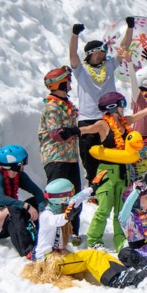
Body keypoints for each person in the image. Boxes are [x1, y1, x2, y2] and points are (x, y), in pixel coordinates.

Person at [82, 86, 147, 251]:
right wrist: (71, 131)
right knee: (104, 208)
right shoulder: (103, 124)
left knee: (121, 211)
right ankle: (94, 240)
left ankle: (121, 240)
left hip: (124, 173)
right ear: (112, 107)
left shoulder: (125, 121)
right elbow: (86, 129)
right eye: (121, 104)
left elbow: (143, 113)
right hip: (107, 172)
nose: (123, 107)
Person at [24, 178, 147, 288]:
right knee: (91, 256)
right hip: (49, 262)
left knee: (101, 255)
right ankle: (114, 280)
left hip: (61, 256)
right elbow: (56, 220)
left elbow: (77, 199)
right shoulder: (47, 215)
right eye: (69, 193)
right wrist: (66, 216)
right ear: (61, 196)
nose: (71, 195)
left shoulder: (59, 207)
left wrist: (92, 188)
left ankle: (124, 272)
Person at [69, 19, 132, 186]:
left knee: (111, 154)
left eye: (103, 51)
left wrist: (130, 28)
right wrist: (74, 35)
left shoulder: (109, 65)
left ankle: (112, 184)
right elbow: (73, 55)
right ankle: (93, 187)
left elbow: (123, 48)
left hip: (108, 118)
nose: (102, 54)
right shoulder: (81, 70)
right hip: (88, 118)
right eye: (98, 52)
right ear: (91, 54)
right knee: (89, 158)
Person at [38, 66, 88, 246]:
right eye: (67, 81)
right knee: (58, 198)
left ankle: (72, 233)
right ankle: (55, 235)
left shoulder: (65, 104)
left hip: (70, 158)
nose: (70, 84)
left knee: (74, 197)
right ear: (60, 83)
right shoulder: (52, 107)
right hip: (56, 158)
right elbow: (58, 134)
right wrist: (77, 130)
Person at [0, 145, 46, 256]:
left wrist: (42, 210)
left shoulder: (19, 176)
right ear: (15, 165)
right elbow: (0, 199)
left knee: (33, 202)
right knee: (13, 209)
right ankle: (28, 251)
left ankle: (42, 240)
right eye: (22, 163)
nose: (24, 165)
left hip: (7, 220)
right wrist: (26, 206)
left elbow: (37, 192)